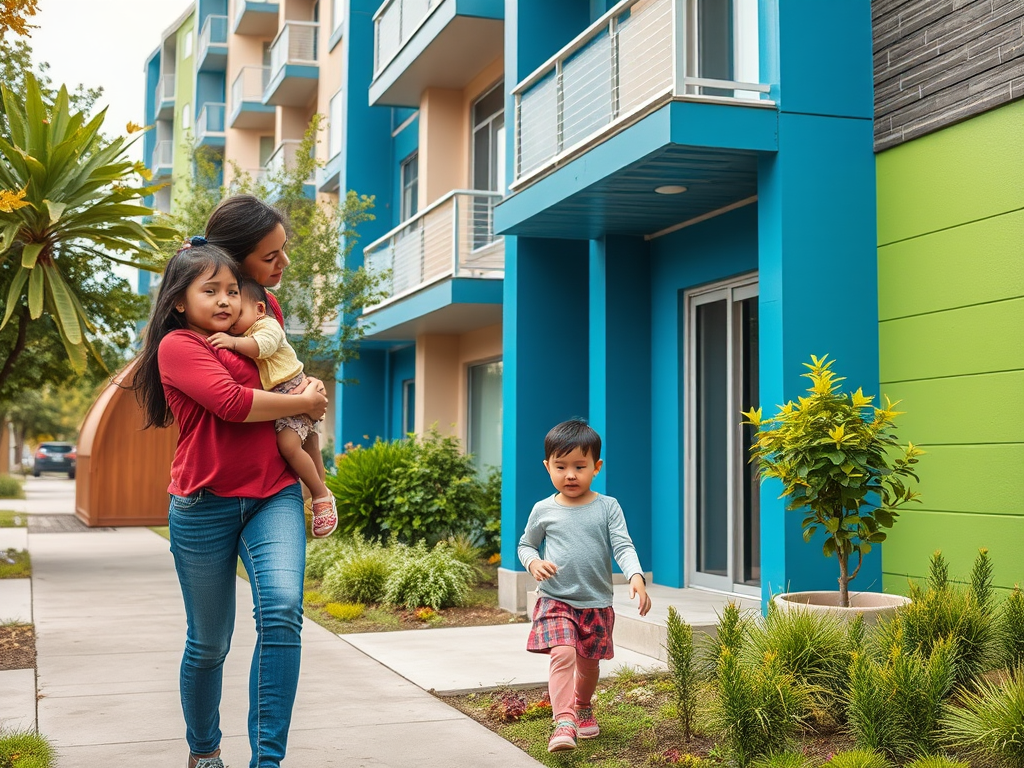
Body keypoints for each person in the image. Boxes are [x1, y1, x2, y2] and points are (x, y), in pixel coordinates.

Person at [132, 239, 328, 768]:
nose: (224, 300)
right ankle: (205, 751)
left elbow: (286, 365)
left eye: (230, 290)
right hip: (203, 505)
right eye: (209, 290)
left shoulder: (254, 322)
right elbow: (232, 403)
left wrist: (305, 390)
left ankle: (267, 760)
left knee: (283, 612)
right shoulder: (179, 346)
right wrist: (302, 401)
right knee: (209, 643)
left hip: (273, 495)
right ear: (179, 299)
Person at [518, 418, 652, 753]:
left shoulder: (608, 507)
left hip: (595, 602)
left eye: (580, 466)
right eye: (561, 467)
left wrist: (636, 576)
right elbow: (525, 545)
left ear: (597, 467)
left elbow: (623, 546)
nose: (570, 475)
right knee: (563, 653)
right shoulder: (543, 509)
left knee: (589, 664)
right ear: (548, 466)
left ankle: (582, 704)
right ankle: (564, 721)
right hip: (555, 599)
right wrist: (533, 562)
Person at [208, 278, 337, 537]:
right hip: (288, 395)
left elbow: (262, 348)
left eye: (239, 313)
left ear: (259, 309)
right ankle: (320, 492)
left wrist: (232, 342)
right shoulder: (246, 331)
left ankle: (320, 493)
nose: (233, 322)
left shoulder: (267, 327)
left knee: (289, 446)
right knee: (310, 446)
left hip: (293, 390)